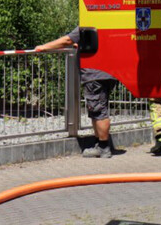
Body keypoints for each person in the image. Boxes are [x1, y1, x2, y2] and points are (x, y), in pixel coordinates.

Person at [36, 28, 117, 158]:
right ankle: (99, 145)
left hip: (94, 74)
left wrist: (44, 47)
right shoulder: (105, 24)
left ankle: (103, 147)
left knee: (98, 111)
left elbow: (67, 40)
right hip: (108, 72)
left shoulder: (87, 24)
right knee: (97, 109)